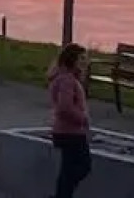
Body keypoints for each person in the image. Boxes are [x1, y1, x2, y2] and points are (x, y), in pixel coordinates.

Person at [49, 42, 92, 198]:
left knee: (68, 168)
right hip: (71, 132)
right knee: (83, 166)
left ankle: (62, 194)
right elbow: (64, 106)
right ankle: (62, 194)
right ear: (72, 59)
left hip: (66, 131)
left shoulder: (66, 78)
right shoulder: (67, 80)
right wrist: (82, 118)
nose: (84, 62)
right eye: (81, 58)